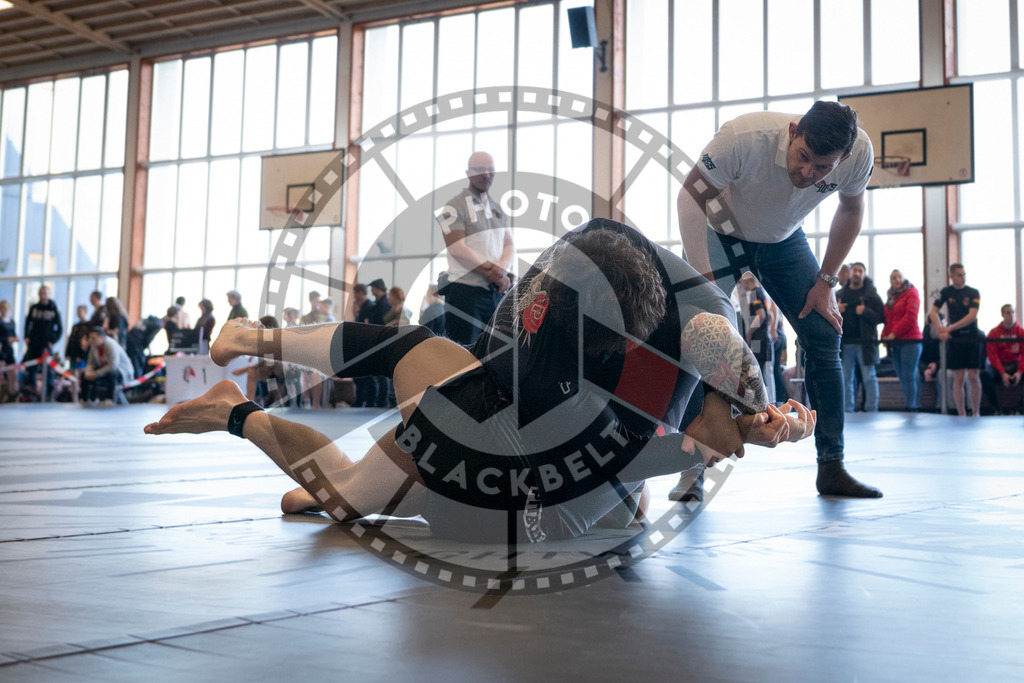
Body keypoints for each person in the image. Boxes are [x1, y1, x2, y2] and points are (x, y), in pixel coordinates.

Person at [146, 219, 815, 544]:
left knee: (322, 495)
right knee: (352, 488)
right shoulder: (538, 314)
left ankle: (254, 398)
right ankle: (238, 408)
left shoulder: (691, 327)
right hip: (478, 438)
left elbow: (721, 366)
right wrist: (725, 436)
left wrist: (760, 410)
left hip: (533, 483)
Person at [675, 100, 882, 497]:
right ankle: (692, 467)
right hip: (720, 232)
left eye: (822, 168)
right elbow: (689, 196)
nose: (807, 173)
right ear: (792, 132)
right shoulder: (743, 137)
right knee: (699, 335)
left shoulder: (858, 156)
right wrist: (701, 275)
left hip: (783, 240)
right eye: (803, 157)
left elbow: (851, 209)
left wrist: (826, 281)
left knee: (825, 334)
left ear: (841, 159)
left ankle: (831, 466)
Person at [436, 151, 516, 346]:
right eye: (480, 169)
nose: (486, 174)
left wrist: (501, 270)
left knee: (494, 353)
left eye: (490, 170)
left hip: (494, 294)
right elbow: (457, 248)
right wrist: (493, 271)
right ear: (468, 172)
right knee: (463, 356)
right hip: (465, 293)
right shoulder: (453, 207)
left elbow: (509, 245)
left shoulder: (497, 209)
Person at [928, 264, 981, 417]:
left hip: (970, 336)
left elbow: (972, 316)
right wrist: (940, 329)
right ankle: (961, 413)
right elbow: (933, 312)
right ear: (951, 276)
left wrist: (950, 328)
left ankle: (976, 411)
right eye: (959, 275)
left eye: (964, 274)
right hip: (955, 339)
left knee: (973, 375)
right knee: (958, 376)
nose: (962, 277)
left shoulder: (973, 292)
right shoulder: (946, 292)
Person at [837, 263, 884, 412]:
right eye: (855, 270)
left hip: (865, 343)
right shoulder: (840, 294)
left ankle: (871, 409)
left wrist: (865, 311)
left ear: (864, 274)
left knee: (869, 377)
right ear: (850, 273)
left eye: (860, 271)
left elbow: (881, 317)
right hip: (846, 343)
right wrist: (837, 311)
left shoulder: (871, 295)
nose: (857, 273)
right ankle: (847, 410)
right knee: (846, 378)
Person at [881, 269, 923, 411]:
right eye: (893, 278)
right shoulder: (890, 298)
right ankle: (910, 402)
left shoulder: (912, 292)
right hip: (895, 342)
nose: (896, 279)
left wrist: (894, 333)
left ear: (903, 278)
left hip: (910, 340)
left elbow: (910, 317)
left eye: (899, 277)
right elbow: (888, 320)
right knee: (901, 375)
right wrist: (885, 336)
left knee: (908, 374)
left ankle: (911, 406)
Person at [980, 304, 1024, 414]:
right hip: (999, 365)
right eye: (1008, 313)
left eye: (1013, 312)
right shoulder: (994, 333)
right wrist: (1002, 373)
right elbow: (992, 355)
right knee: (983, 374)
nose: (1011, 315)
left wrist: (1019, 372)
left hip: (1016, 365)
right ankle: (995, 407)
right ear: (1002, 315)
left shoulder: (1021, 332)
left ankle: (1021, 407)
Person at [23, 285, 63, 402]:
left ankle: (49, 393)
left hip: (46, 343)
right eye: (41, 293)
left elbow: (59, 328)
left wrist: (53, 341)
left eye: (45, 293)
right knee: (31, 367)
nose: (43, 295)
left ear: (48, 294)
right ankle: (32, 392)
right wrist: (27, 337)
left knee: (48, 369)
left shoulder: (53, 308)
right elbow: (27, 323)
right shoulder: (34, 308)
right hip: (34, 343)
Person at [84, 327, 133, 406]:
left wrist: (95, 374)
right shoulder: (94, 346)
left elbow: (113, 366)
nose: (90, 340)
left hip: (121, 371)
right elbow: (90, 362)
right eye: (90, 338)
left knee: (111, 374)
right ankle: (86, 399)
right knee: (85, 375)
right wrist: (88, 372)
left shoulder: (111, 345)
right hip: (105, 370)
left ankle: (110, 399)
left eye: (93, 338)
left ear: (102, 338)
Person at [0, 299, 19, 402]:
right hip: (1, 350)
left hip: (9, 350)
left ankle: (13, 395)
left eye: (6, 308)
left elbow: (14, 334)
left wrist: (15, 338)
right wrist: (6, 339)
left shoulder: (12, 322)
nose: (4, 310)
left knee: (13, 375)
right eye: (2, 308)